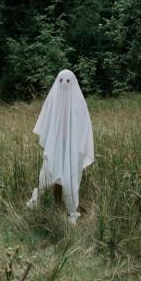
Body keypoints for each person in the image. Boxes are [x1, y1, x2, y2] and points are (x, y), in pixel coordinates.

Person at [26, 69, 94, 223]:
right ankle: (50, 205)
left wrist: (79, 149)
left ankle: (70, 210)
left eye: (68, 81)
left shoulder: (79, 104)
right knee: (50, 172)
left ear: (73, 83)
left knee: (68, 178)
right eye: (61, 80)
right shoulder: (53, 101)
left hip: (72, 149)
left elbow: (84, 127)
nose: (64, 84)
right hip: (55, 146)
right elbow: (46, 122)